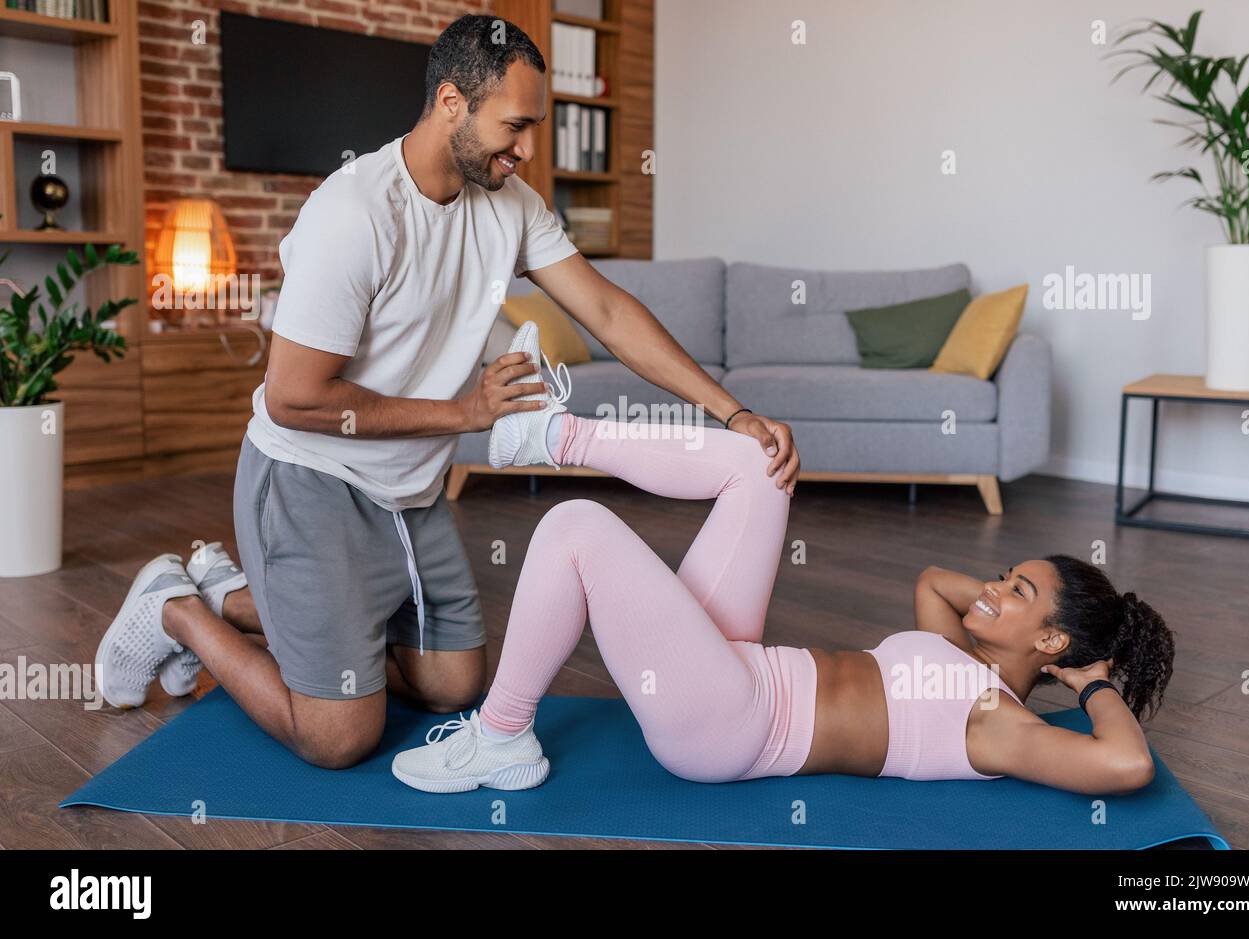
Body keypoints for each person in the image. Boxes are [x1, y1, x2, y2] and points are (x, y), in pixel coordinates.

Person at [93, 13, 799, 769]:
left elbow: (607, 310)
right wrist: (466, 414)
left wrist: (730, 408)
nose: (526, 150)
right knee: (340, 737)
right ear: (453, 103)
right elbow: (294, 397)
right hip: (310, 482)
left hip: (411, 492)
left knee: (454, 687)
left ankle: (230, 590)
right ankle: (175, 609)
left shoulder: (510, 203)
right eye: (516, 126)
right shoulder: (353, 213)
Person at [392, 364, 1175, 795]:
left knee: (575, 529)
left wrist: (1092, 679)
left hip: (735, 725)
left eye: (1019, 593)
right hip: (738, 662)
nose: (995, 589)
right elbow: (936, 580)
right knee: (760, 460)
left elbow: (1125, 764)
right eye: (1007, 574)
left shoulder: (997, 726)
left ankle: (501, 736)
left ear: (1050, 637)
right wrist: (1011, 607)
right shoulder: (964, 664)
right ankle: (557, 434)